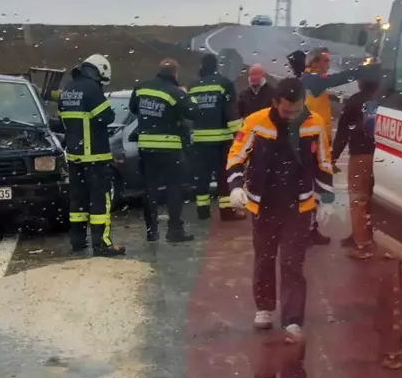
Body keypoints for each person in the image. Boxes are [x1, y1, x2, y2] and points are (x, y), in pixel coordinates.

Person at [227, 78, 334, 343]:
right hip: (263, 204)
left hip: (299, 205)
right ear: (275, 103)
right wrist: (235, 186)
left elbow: (324, 162)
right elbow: (236, 155)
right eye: (287, 111)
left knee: (292, 263)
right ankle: (265, 307)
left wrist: (327, 198)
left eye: (296, 111)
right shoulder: (255, 122)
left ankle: (293, 320)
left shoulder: (314, 123)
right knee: (264, 257)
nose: (291, 116)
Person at [301, 47, 380, 245]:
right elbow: (336, 80)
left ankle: (311, 228)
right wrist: (363, 70)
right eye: (325, 61)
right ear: (315, 62)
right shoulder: (311, 81)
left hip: (317, 142)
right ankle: (308, 229)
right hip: (310, 143)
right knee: (312, 186)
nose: (328, 65)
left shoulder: (313, 82)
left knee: (315, 186)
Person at [58, 54, 126, 257]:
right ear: (99, 71)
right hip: (95, 156)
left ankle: (78, 241)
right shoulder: (91, 89)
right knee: (100, 201)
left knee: (77, 200)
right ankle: (101, 243)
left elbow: (64, 119)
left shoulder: (68, 88)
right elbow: (107, 117)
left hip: (74, 156)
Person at [130, 58, 199, 242]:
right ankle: (174, 230)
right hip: (169, 148)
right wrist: (186, 94)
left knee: (150, 189)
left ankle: (151, 231)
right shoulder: (175, 92)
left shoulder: (142, 87)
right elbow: (193, 111)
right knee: (173, 189)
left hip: (145, 146)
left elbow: (133, 108)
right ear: (175, 74)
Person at [188, 53, 243, 221]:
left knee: (202, 176)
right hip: (221, 140)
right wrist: (239, 136)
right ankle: (226, 211)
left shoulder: (194, 86)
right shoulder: (225, 84)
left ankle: (202, 210)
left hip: (199, 140)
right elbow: (231, 112)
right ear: (216, 66)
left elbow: (190, 112)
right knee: (223, 175)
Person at [332, 78, 380, 259]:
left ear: (361, 82)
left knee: (358, 199)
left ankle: (361, 245)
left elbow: (343, 131)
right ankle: (368, 237)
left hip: (361, 155)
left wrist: (333, 157)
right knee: (374, 199)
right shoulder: (384, 101)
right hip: (382, 156)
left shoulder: (355, 101)